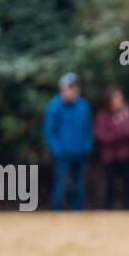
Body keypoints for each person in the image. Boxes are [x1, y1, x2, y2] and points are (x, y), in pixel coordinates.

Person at [43, 72, 93, 211]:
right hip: (63, 154)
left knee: (79, 184)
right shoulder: (54, 106)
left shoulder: (83, 106)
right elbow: (49, 131)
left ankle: (77, 211)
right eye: (66, 88)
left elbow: (88, 129)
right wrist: (58, 150)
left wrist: (87, 147)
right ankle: (57, 210)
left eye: (72, 88)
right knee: (61, 183)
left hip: (80, 152)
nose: (69, 92)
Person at [94, 86, 129, 209]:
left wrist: (115, 131)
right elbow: (102, 136)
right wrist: (121, 131)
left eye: (120, 96)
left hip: (127, 155)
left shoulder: (128, 111)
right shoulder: (102, 115)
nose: (119, 99)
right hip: (110, 157)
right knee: (110, 187)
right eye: (116, 97)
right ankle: (108, 212)